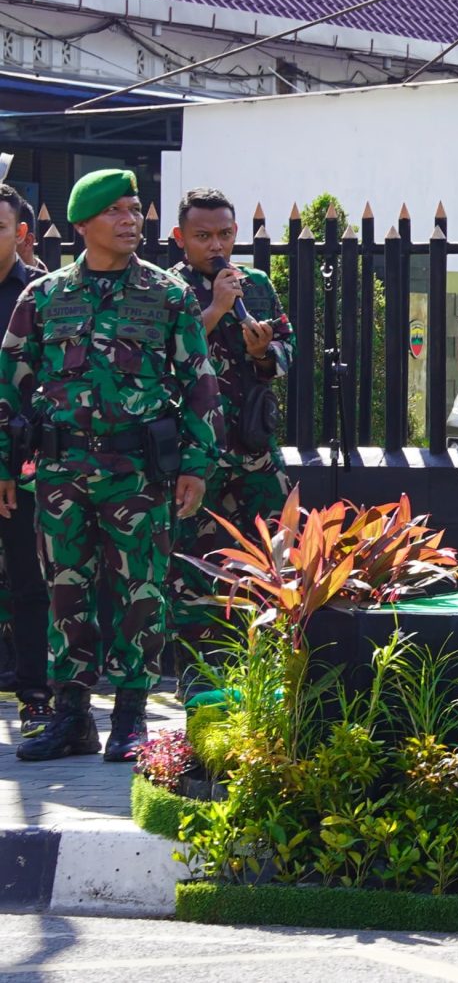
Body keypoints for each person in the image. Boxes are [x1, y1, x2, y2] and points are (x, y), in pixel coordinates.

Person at [0, 170, 217, 762]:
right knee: (64, 591)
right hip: (61, 471)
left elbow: (199, 383)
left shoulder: (167, 294)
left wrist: (196, 464)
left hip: (138, 472)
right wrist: (4, 466)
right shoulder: (43, 296)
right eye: (116, 211)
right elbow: (10, 384)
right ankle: (72, 716)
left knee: (140, 592)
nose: (131, 221)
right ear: (82, 224)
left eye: (135, 209)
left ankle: (130, 717)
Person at [167, 189, 292, 662]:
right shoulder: (167, 287)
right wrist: (216, 309)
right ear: (180, 237)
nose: (216, 245)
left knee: (276, 553)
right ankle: (195, 671)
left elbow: (287, 350)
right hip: (195, 453)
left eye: (224, 234)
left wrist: (264, 353)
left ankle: (272, 662)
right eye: (203, 236)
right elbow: (163, 355)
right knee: (189, 566)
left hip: (254, 445)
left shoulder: (255, 284)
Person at [0, 185, 48, 724]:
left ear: (20, 233)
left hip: (22, 462)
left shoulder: (39, 294)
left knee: (29, 581)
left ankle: (35, 693)